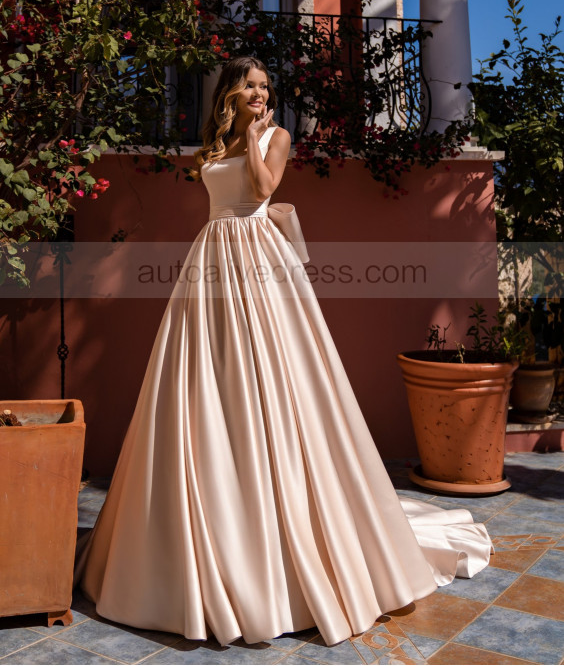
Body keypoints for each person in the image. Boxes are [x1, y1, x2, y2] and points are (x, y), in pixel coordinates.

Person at [76, 56, 492, 648]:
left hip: (259, 265)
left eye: (265, 87)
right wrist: (233, 140)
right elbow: (217, 202)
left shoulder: (275, 137)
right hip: (213, 262)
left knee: (273, 381)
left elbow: (266, 189)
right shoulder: (213, 142)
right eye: (248, 85)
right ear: (230, 91)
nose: (258, 93)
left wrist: (252, 139)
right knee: (202, 382)